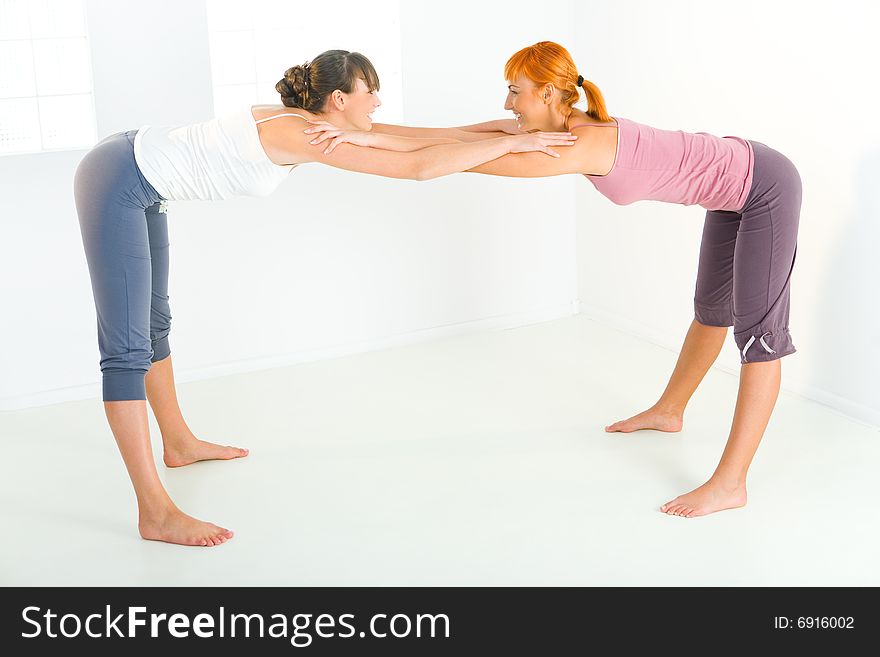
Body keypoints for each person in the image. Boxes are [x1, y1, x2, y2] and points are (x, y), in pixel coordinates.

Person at [73, 49, 576, 547]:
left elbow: (414, 138)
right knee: (126, 351)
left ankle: (179, 444)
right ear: (338, 99)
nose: (378, 101)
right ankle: (155, 513)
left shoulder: (317, 120)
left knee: (155, 325)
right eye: (370, 90)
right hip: (119, 178)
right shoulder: (303, 133)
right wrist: (509, 148)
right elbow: (418, 167)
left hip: (139, 170)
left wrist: (510, 130)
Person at [308, 41, 802, 518]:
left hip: (765, 187)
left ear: (546, 94)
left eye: (515, 89)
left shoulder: (582, 146)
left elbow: (461, 161)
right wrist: (366, 132)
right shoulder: (561, 130)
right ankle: (669, 411)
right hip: (733, 187)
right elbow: (450, 136)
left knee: (759, 336)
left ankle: (731, 483)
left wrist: (366, 143)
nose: (508, 102)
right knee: (712, 311)